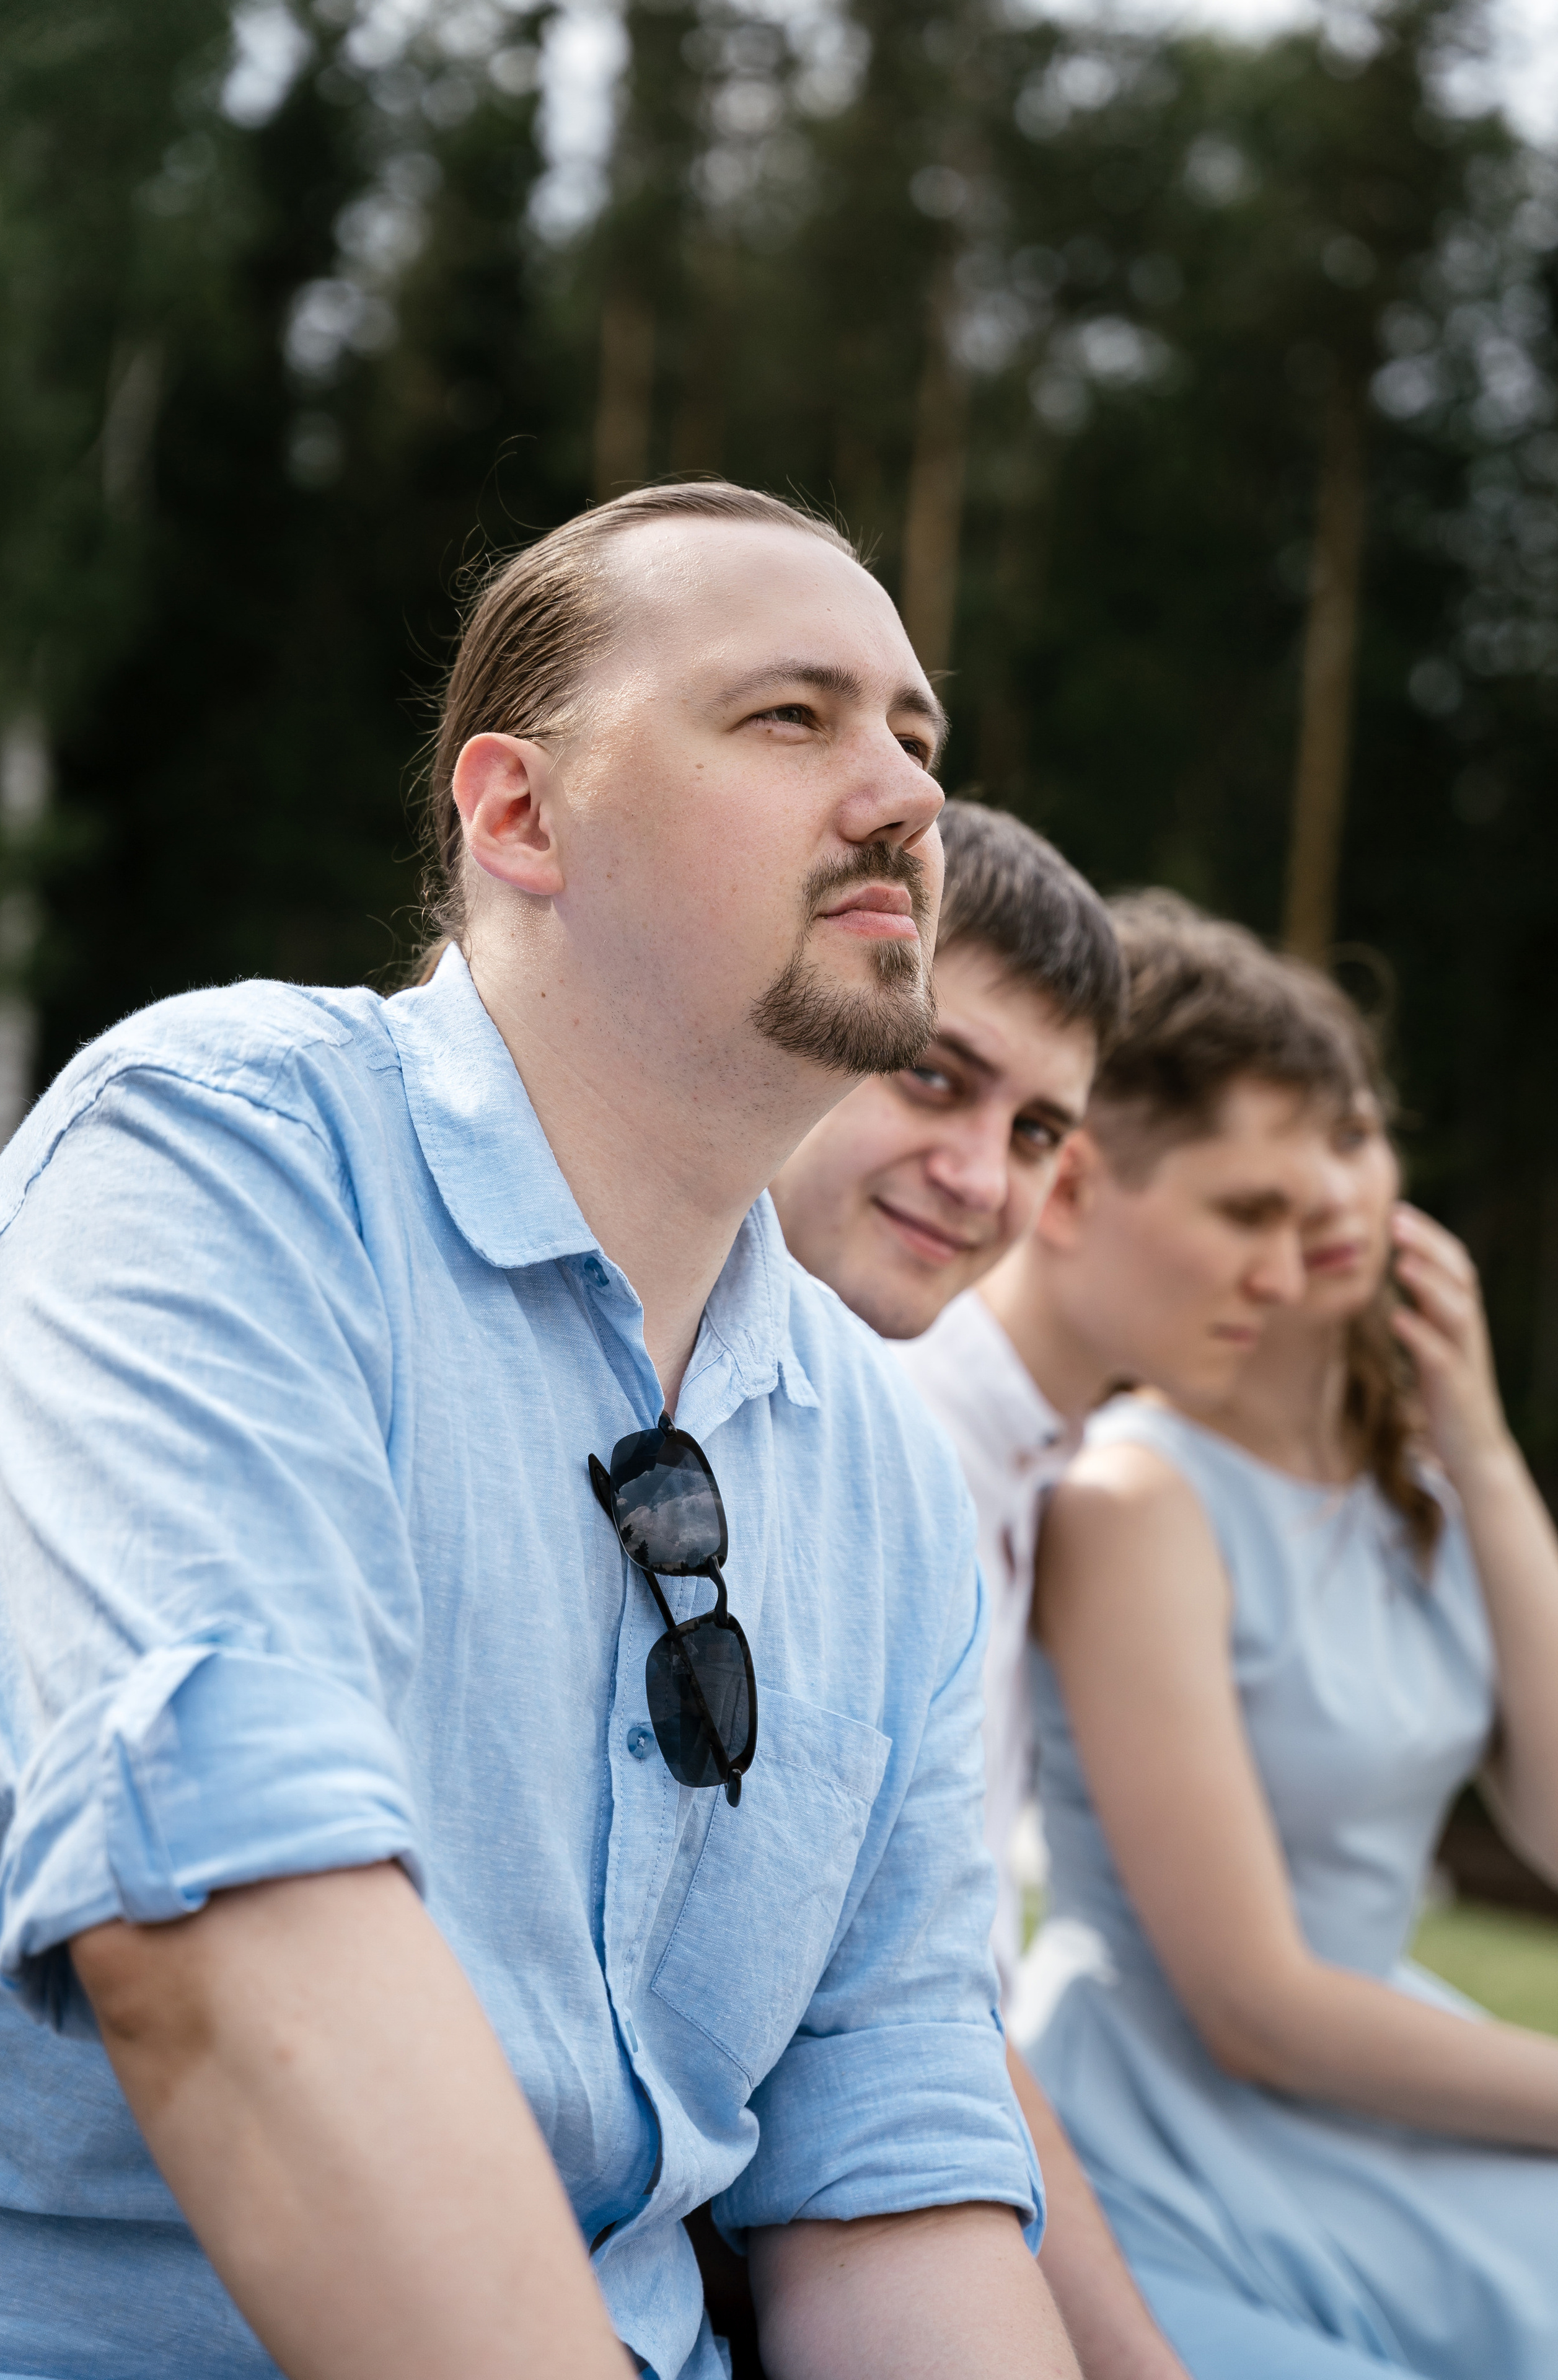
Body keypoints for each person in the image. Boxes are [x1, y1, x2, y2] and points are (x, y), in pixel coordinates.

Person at [0, 483, 1077, 2380]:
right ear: (517, 814)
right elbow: (227, 1946)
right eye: (791, 717)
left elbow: (889, 2167)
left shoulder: (880, 1474)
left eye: (917, 734)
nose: (905, 795)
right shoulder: (222, 1162)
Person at [1023, 896, 1558, 2378]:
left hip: (1384, 2063)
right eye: (1269, 1171)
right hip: (1183, 2119)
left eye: (1353, 1134)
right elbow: (1252, 2003)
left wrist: (1490, 1459)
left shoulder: (1429, 1494)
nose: (1327, 1195)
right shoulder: (1133, 1500)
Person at [775, 802, 1197, 2380]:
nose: (977, 1176)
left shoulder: (885, 1455)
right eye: (933, 1072)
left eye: (1032, 1132)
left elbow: (909, 2026)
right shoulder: (907, 1441)